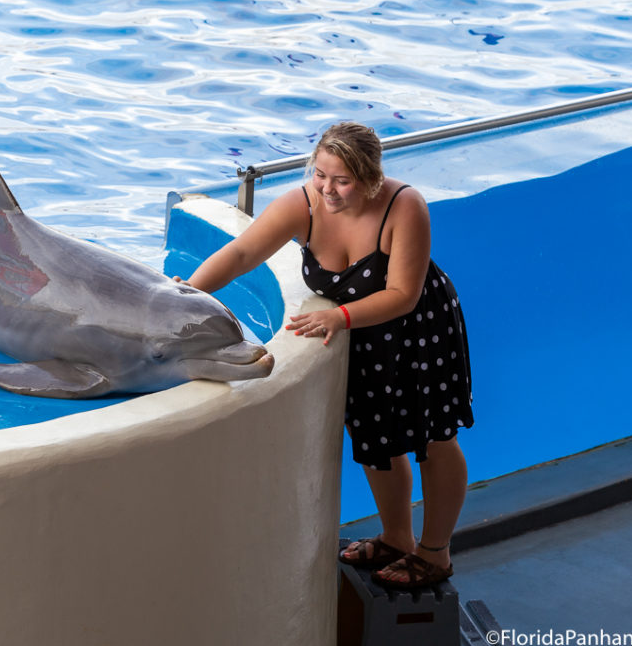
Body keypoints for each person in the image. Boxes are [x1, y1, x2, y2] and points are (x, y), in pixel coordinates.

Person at [176, 122, 473, 589]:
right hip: (366, 336)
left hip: (418, 330)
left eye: (342, 181)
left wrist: (340, 318)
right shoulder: (303, 204)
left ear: (370, 178)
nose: (327, 190)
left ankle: (435, 553)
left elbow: (402, 294)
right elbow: (240, 255)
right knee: (377, 438)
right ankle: (398, 537)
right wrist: (186, 295)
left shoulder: (404, 206)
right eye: (320, 175)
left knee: (435, 437)